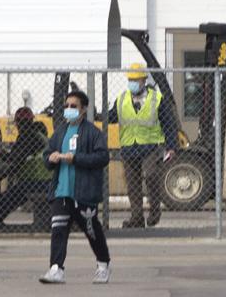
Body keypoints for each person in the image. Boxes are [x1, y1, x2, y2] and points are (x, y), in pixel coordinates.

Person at [39, 90, 110, 286]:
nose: (69, 110)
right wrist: (51, 159)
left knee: (92, 230)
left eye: (74, 106)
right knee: (58, 230)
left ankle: (103, 265)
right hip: (62, 193)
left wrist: (76, 158)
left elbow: (103, 157)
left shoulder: (93, 133)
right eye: (67, 106)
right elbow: (46, 155)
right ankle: (56, 268)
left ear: (83, 109)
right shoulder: (60, 132)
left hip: (84, 194)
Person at [108, 63, 181, 228]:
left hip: (150, 147)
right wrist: (95, 114)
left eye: (136, 79)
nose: (132, 83)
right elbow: (111, 117)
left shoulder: (156, 99)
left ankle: (154, 211)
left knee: (151, 176)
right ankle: (137, 218)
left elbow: (168, 123)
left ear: (144, 80)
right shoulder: (122, 99)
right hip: (129, 147)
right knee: (133, 185)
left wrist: (172, 146)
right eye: (130, 79)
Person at [0, 107, 50, 228]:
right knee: (12, 192)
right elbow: (17, 158)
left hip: (36, 182)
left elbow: (15, 159)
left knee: (11, 195)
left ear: (19, 123)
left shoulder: (27, 137)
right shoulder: (38, 135)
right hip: (43, 180)